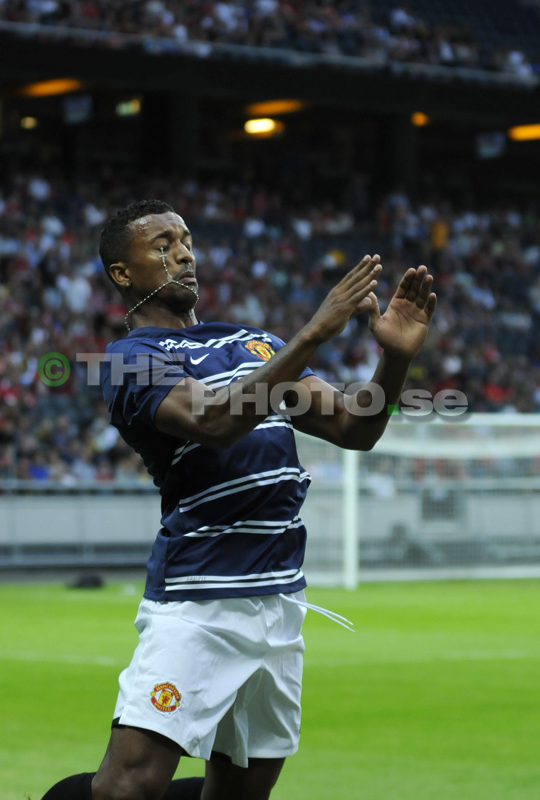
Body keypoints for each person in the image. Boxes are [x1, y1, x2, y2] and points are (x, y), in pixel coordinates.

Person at [41, 199, 436, 800]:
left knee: (241, 794)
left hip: (281, 602)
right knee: (128, 787)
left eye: (186, 241)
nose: (184, 254)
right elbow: (216, 422)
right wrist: (314, 332)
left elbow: (353, 428)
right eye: (163, 246)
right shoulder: (130, 360)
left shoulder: (255, 343)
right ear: (122, 273)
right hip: (199, 599)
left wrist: (396, 358)